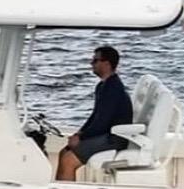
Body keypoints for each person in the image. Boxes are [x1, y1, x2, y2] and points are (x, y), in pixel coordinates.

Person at [55, 45, 133, 181]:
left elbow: (102, 122)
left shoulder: (113, 89)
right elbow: (95, 116)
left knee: (68, 160)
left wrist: (81, 138)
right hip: (105, 135)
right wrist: (79, 133)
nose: (91, 64)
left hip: (114, 139)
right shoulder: (102, 86)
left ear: (107, 64)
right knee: (64, 152)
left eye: (95, 60)